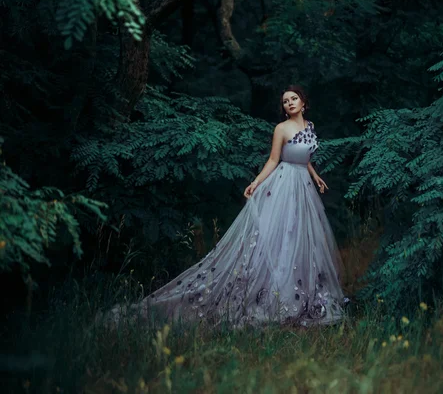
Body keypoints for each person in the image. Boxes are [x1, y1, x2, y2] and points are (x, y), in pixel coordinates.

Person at [105, 85, 347, 328]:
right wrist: (255, 182)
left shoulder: (310, 127)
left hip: (303, 186)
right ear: (283, 109)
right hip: (284, 185)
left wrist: (314, 175)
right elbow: (275, 159)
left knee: (303, 239)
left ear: (304, 103)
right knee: (282, 238)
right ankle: (277, 295)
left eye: (294, 99)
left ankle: (302, 293)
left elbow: (304, 157)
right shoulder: (281, 129)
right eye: (285, 101)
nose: (290, 103)